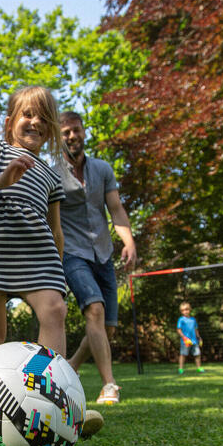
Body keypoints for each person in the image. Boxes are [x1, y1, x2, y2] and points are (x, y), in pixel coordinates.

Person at [0, 86, 103, 437]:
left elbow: (57, 228)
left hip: (38, 251)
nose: (34, 122)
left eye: (43, 118)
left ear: (50, 130)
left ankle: (61, 403)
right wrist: (3, 178)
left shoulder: (51, 175)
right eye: (27, 115)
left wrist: (59, 265)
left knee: (55, 311)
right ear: (10, 123)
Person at [57, 111, 137, 405]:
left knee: (107, 327)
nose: (72, 136)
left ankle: (72, 366)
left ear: (83, 133)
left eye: (76, 130)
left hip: (103, 253)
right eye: (65, 132)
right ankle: (109, 386)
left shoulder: (102, 169)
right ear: (58, 136)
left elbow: (115, 209)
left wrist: (129, 242)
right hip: (72, 254)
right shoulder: (53, 173)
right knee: (94, 309)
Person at [177, 301, 205, 374]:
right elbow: (179, 330)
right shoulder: (181, 319)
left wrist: (199, 337)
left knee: (197, 354)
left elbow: (196, 329)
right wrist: (184, 338)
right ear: (181, 311)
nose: (185, 311)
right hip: (185, 341)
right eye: (183, 310)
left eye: (186, 309)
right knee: (183, 354)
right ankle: (180, 369)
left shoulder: (193, 319)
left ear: (190, 309)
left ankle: (199, 368)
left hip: (194, 341)